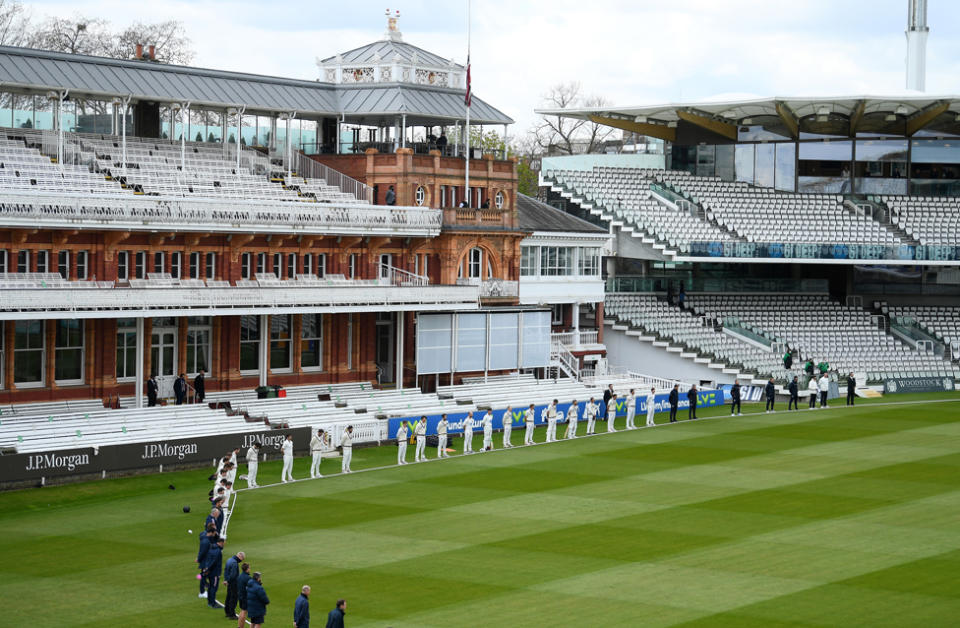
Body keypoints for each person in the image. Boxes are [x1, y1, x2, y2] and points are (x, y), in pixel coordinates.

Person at [202, 537, 225, 609]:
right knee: (214, 587)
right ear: (221, 542)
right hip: (214, 573)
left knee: (211, 587)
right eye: (224, 543)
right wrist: (208, 569)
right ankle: (213, 603)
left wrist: (206, 569)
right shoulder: (218, 551)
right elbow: (214, 562)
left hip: (210, 572)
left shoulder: (211, 548)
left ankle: (210, 602)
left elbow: (208, 559)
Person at [224, 549, 245, 620]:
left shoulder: (229, 560)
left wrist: (226, 580)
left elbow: (226, 571)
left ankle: (227, 612)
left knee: (228, 597)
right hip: (233, 583)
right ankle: (232, 614)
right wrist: (228, 581)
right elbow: (233, 575)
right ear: (240, 556)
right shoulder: (234, 563)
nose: (241, 560)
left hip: (229, 582)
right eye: (242, 559)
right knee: (233, 598)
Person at [196, 526, 216, 599]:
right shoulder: (206, 542)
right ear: (211, 532)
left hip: (206, 561)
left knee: (204, 576)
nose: (214, 534)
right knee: (204, 576)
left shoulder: (204, 537)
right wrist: (199, 559)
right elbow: (202, 552)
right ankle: (202, 592)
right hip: (205, 561)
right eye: (214, 533)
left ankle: (203, 591)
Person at [236, 562, 251, 628]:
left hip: (240, 595)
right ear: (247, 569)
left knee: (242, 611)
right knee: (244, 612)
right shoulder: (248, 578)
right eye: (249, 568)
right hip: (245, 597)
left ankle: (239, 626)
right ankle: (241, 627)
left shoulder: (240, 576)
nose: (250, 569)